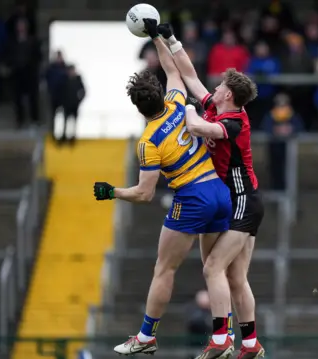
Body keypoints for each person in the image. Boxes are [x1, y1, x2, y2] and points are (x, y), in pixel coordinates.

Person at [93, 19, 232, 356]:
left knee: (164, 269)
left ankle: (146, 336)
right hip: (219, 192)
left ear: (138, 108)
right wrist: (156, 36)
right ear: (159, 93)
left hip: (193, 197)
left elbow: (145, 193)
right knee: (215, 270)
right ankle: (224, 337)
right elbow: (173, 69)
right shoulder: (174, 101)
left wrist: (112, 192)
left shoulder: (148, 141)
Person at [156, 24, 265, 359]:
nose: (214, 88)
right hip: (233, 202)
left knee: (213, 268)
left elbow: (195, 126)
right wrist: (169, 39)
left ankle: (221, 339)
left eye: (219, 86)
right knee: (236, 277)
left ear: (228, 95)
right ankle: (250, 344)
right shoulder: (221, 107)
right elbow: (188, 74)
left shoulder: (234, 123)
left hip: (243, 203)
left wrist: (187, 108)